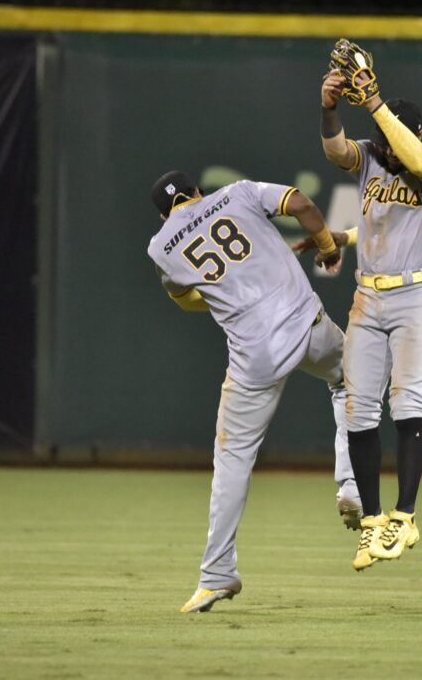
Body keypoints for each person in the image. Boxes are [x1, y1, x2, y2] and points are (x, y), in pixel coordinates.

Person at [147, 170, 348, 613]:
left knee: (233, 459)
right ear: (197, 192)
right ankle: (350, 483)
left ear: (165, 213)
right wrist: (328, 247)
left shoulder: (161, 246)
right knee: (353, 382)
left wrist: (229, 286)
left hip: (253, 355)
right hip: (306, 325)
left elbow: (185, 298)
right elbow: (302, 206)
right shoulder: (237, 193)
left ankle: (216, 575)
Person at [304, 68, 422, 572]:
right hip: (368, 297)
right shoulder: (372, 154)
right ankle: (372, 522)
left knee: (407, 401)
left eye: (394, 141)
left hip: (418, 294)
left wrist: (373, 106)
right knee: (358, 409)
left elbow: (414, 159)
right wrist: (330, 107)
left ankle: (405, 515)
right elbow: (336, 149)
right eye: (383, 144)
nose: (387, 152)